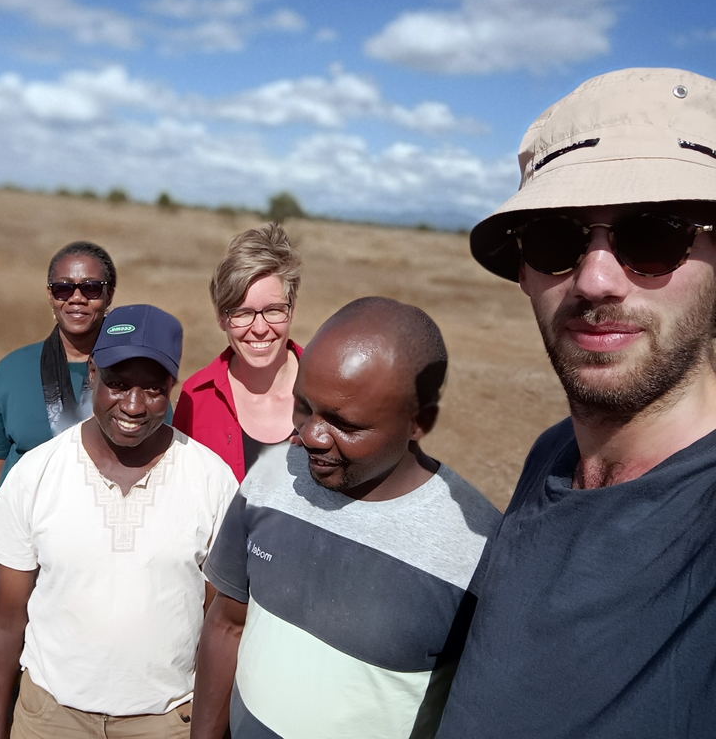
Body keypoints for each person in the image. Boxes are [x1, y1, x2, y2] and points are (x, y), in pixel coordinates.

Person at [435, 68, 716, 737]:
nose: (595, 278)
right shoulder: (554, 454)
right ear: (526, 273)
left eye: (654, 235)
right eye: (559, 240)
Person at [192, 297, 501, 739]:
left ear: (418, 422)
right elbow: (227, 624)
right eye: (304, 406)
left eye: (345, 423)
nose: (311, 435)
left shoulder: (478, 550)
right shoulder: (269, 477)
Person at [0, 304, 238, 739]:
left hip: (166, 721)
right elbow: (4, 621)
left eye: (153, 389)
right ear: (91, 372)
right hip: (50, 718)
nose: (133, 405)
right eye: (116, 384)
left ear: (171, 385)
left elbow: (220, 623)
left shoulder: (210, 478)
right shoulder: (37, 472)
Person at [0, 241, 117, 636]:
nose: (76, 298)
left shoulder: (134, 381)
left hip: (94, 567)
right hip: (12, 562)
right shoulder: (12, 370)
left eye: (91, 287)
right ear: (50, 295)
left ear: (108, 294)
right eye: (63, 288)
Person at [173, 223, 303, 482]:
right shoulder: (195, 397)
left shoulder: (331, 389)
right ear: (221, 318)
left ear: (292, 309)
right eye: (242, 313)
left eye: (274, 310)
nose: (260, 328)